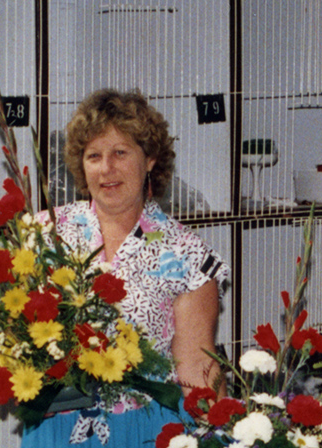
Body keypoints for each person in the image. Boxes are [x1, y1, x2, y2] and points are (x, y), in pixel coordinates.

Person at [22, 88, 229, 447]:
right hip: (56, 428)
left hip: (145, 430)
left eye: (120, 152)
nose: (107, 168)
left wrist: (228, 433)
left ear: (149, 159)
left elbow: (197, 369)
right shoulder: (43, 235)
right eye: (94, 156)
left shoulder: (187, 255)